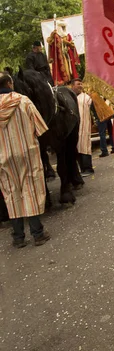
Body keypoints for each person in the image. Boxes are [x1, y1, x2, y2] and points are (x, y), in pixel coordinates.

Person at [0, 72, 50, 247]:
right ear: (9, 83)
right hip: (26, 153)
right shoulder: (23, 101)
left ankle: (18, 237)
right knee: (30, 189)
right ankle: (37, 234)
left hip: (3, 157)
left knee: (11, 193)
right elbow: (41, 128)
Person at [70, 78, 94, 176]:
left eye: (81, 84)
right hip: (74, 128)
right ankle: (82, 169)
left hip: (84, 126)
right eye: (78, 84)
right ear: (72, 86)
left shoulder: (86, 97)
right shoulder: (70, 97)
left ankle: (88, 168)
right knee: (77, 148)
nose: (80, 85)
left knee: (85, 146)